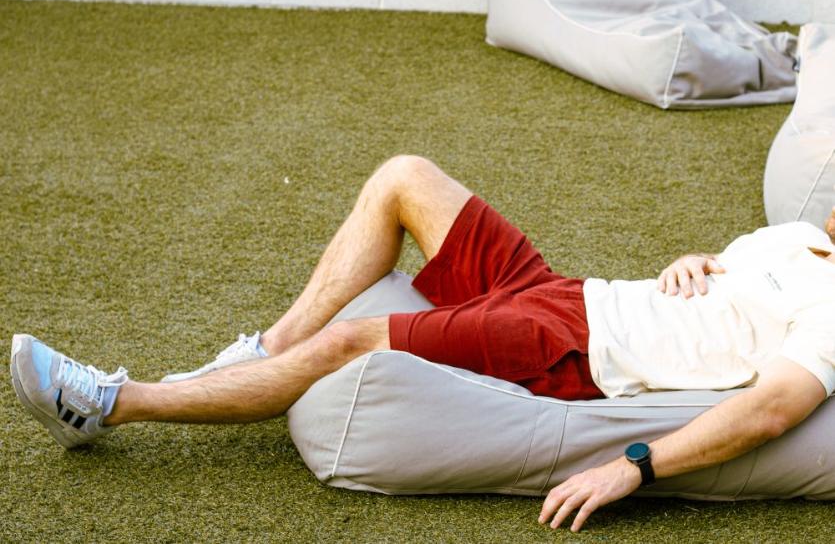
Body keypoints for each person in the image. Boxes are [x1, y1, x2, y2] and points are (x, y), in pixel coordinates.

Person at [10, 156, 835, 532]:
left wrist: (634, 463)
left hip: (572, 349)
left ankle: (111, 406)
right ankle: (262, 353)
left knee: (357, 340)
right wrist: (694, 262)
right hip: (566, 293)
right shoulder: (796, 237)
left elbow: (772, 410)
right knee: (404, 178)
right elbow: (717, 281)